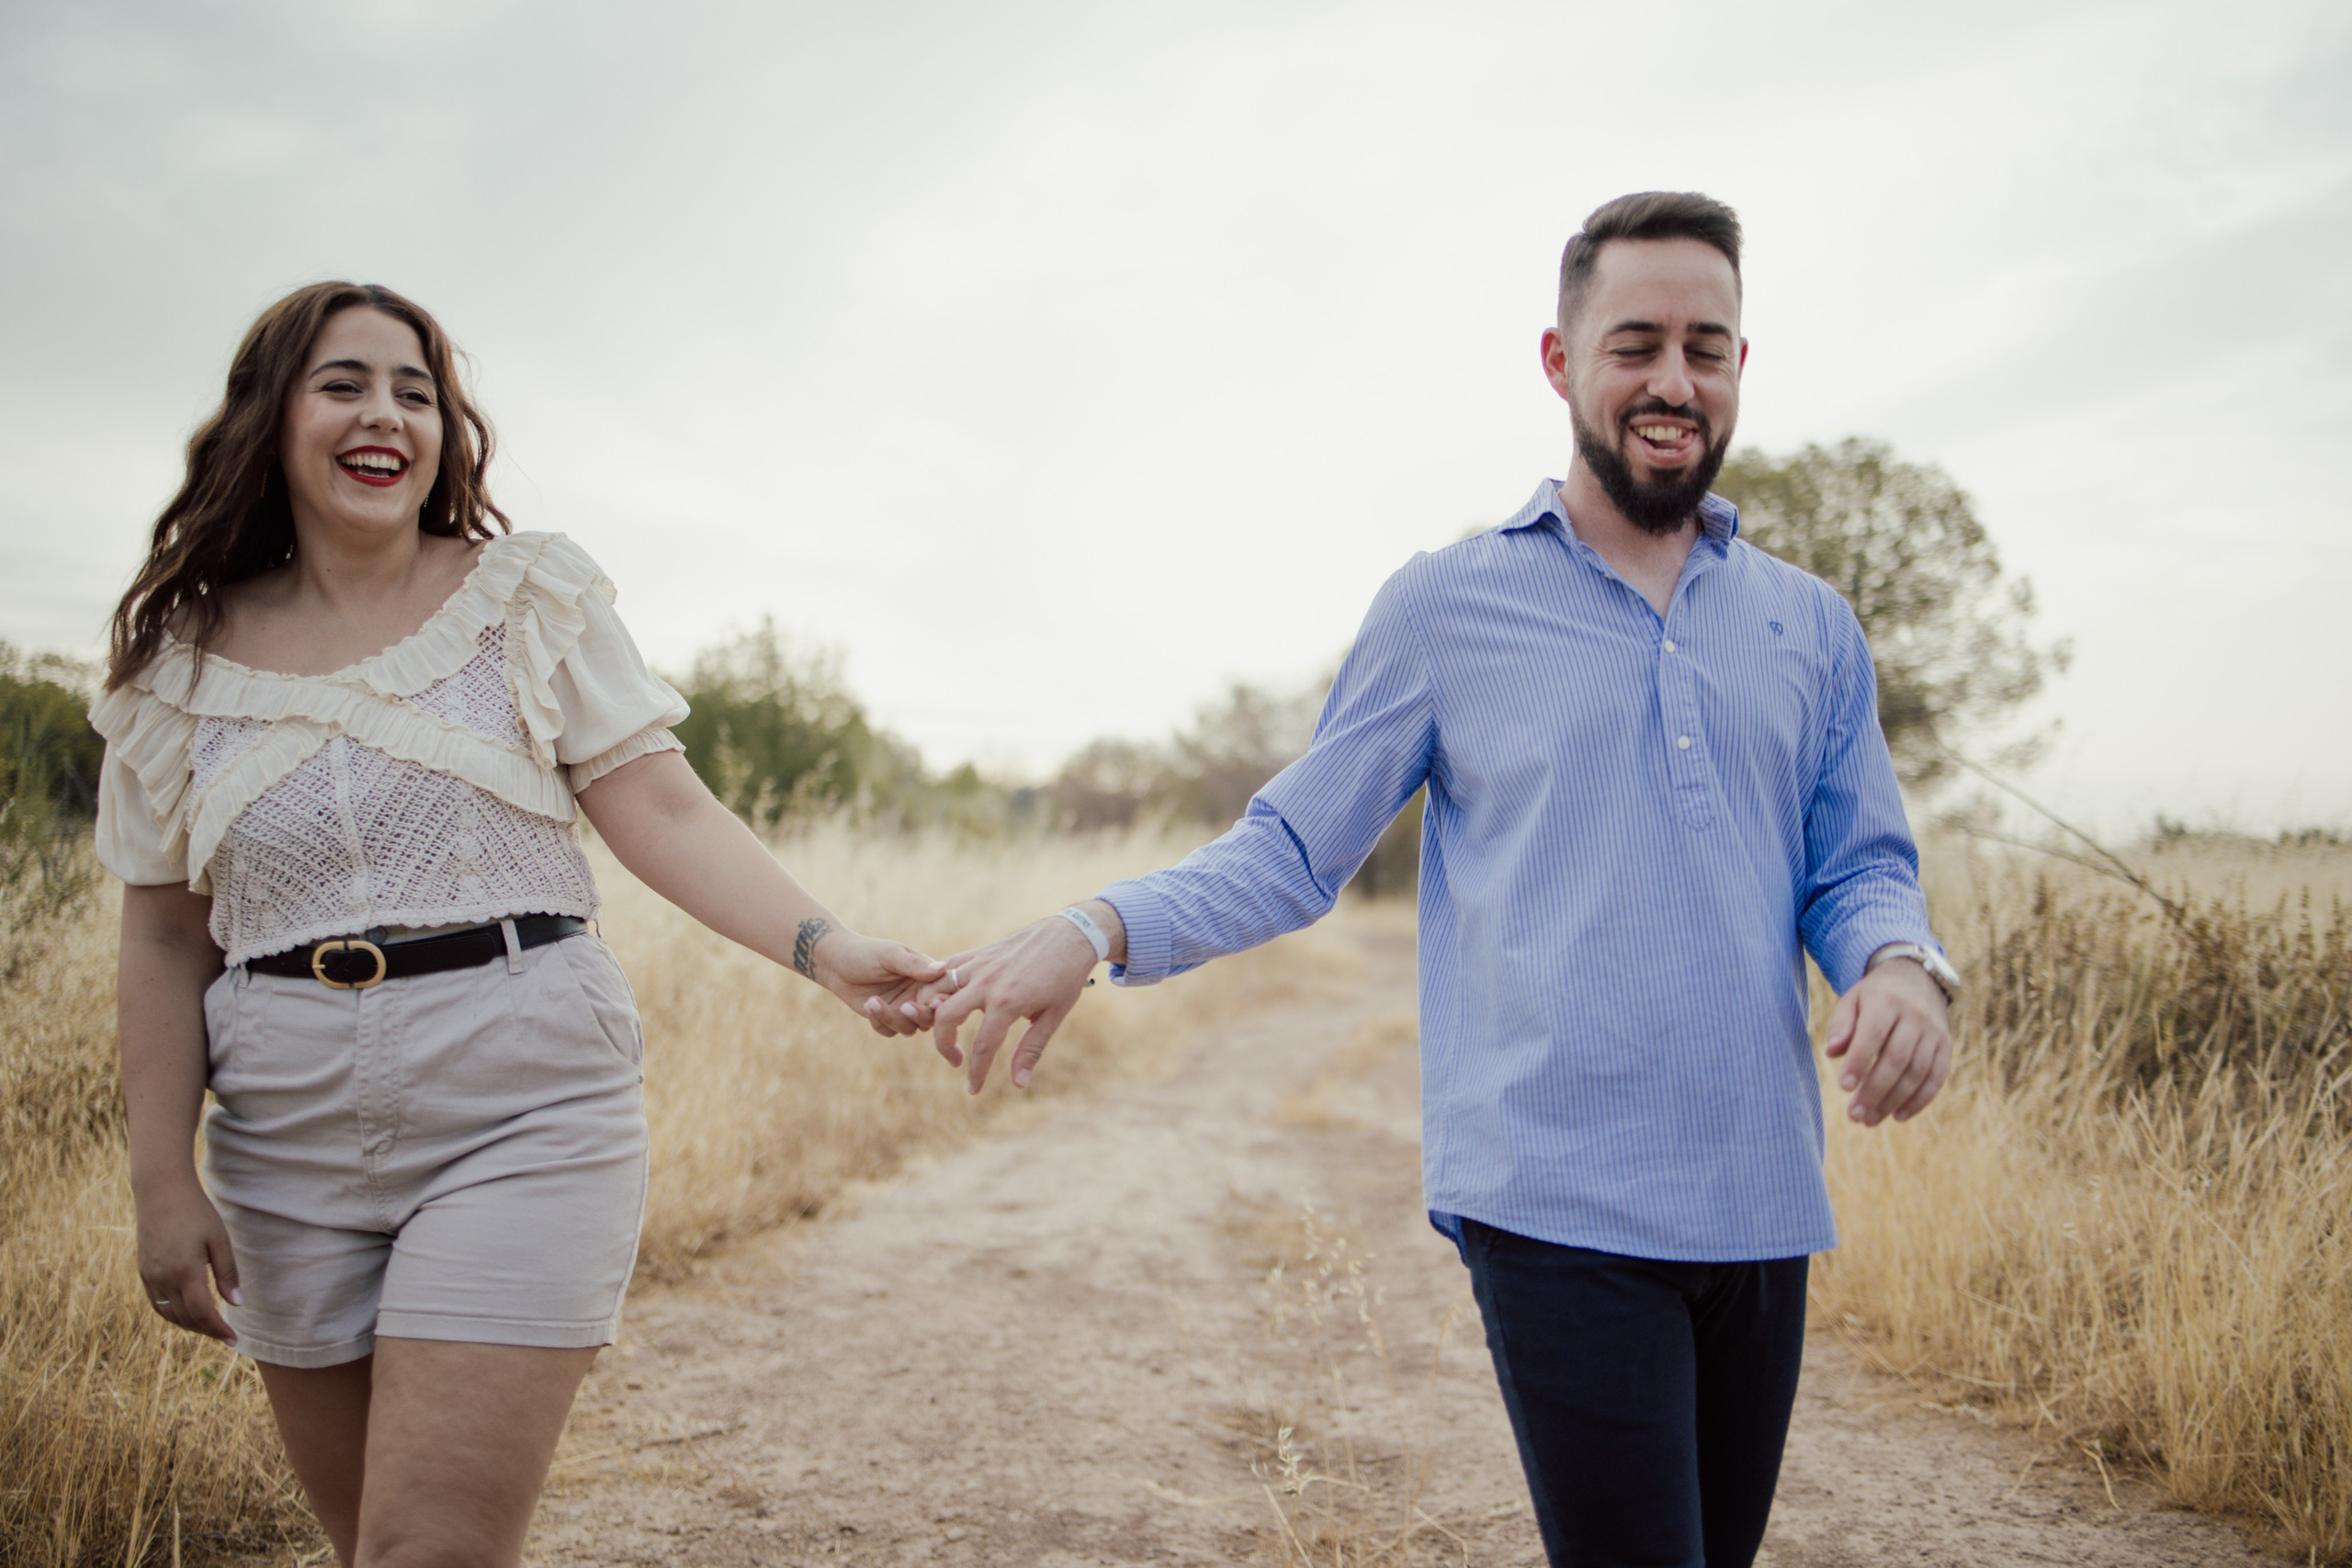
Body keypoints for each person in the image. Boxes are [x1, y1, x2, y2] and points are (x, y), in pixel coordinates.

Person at [921, 192, 1959, 1568]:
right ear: (1559, 360)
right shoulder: (1449, 605)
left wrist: (1901, 964)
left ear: (1741, 368)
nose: (1671, 379)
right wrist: (1096, 925)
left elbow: (1859, 865)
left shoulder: (1810, 627)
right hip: (1557, 1196)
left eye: (1706, 347)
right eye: (1634, 341)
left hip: (1762, 1196)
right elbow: (1294, 852)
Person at [94, 281, 943, 1567]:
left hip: (521, 1098)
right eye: (345, 384)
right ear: (271, 420)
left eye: (416, 392)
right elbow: (162, 937)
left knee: (431, 1553)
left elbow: (660, 806)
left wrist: (825, 950)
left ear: (445, 434)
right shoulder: (178, 665)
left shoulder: (525, 600)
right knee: (372, 1548)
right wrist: (163, 1182)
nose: (386, 414)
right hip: (281, 1128)